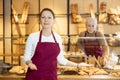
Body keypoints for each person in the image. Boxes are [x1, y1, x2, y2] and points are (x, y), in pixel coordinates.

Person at [24, 8, 91, 80]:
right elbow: (26, 57)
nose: (46, 20)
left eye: (49, 17)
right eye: (43, 17)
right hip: (35, 75)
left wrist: (78, 65)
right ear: (39, 20)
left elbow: (61, 60)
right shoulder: (33, 36)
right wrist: (30, 64)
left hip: (51, 76)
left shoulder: (57, 37)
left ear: (53, 21)